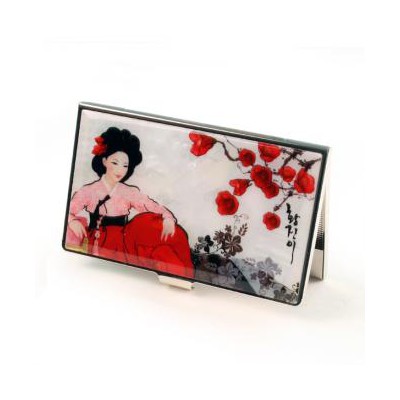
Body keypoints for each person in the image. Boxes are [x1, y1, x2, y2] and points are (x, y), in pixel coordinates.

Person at [65, 127, 194, 279]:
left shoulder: (129, 192)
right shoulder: (88, 191)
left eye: (125, 165)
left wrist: (168, 218)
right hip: (98, 241)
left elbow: (152, 206)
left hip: (124, 241)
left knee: (160, 242)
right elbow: (68, 211)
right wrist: (72, 220)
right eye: (115, 162)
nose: (120, 170)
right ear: (104, 161)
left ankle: (180, 276)